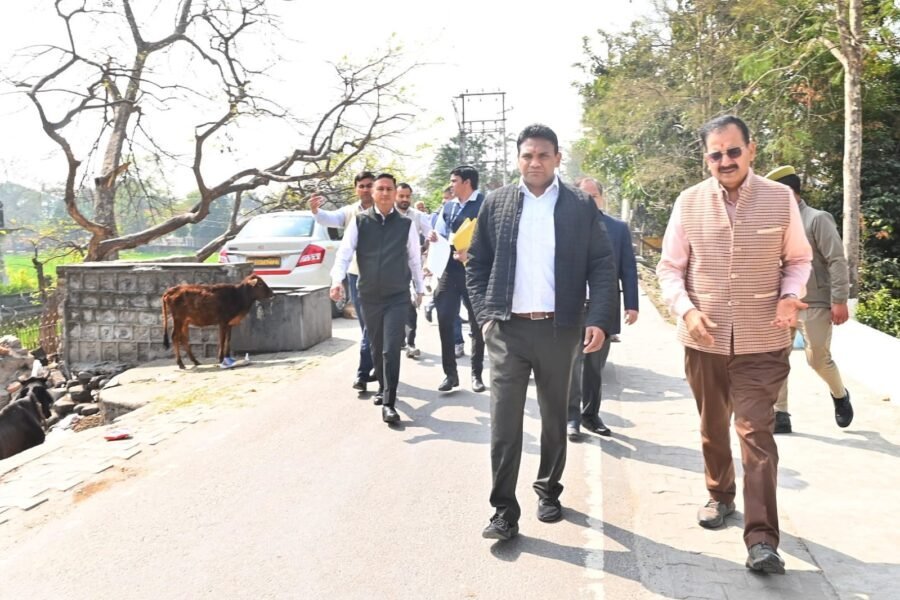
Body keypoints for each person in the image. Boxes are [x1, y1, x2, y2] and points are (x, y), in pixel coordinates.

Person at [656, 115, 812, 574]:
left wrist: (790, 295)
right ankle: (719, 494)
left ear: (751, 150)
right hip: (703, 338)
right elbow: (670, 268)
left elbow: (798, 260)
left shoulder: (779, 199)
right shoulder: (688, 202)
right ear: (705, 158)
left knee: (756, 434)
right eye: (716, 154)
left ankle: (762, 540)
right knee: (712, 425)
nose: (725, 160)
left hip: (762, 339)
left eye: (733, 151)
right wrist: (687, 310)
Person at [467, 124, 617, 541]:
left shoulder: (578, 205)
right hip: (507, 330)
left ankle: (549, 489)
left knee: (554, 418)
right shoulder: (497, 203)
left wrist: (598, 318)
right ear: (518, 158)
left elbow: (601, 264)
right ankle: (503, 511)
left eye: (543, 155)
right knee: (504, 423)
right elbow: (477, 263)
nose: (535, 163)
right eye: (527, 155)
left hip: (559, 329)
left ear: (557, 158)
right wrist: (485, 318)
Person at [330, 173, 425, 424]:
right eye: (380, 189)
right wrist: (337, 281)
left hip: (397, 296)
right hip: (369, 295)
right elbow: (344, 253)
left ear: (395, 193)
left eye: (389, 189)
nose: (384, 193)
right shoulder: (360, 221)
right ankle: (383, 388)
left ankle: (389, 403)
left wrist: (419, 288)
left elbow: (414, 259)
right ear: (372, 193)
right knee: (376, 346)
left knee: (391, 348)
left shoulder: (405, 225)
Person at [765, 166, 853, 434]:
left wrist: (839, 299)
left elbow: (836, 260)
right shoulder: (771, 225)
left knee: (817, 359)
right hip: (782, 304)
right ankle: (780, 413)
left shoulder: (817, 219)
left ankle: (840, 395)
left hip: (814, 302)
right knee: (777, 359)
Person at [567, 177, 639, 439]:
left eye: (593, 196)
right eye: (582, 196)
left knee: (594, 367)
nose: (588, 201)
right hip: (571, 309)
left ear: (602, 198)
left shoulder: (617, 229)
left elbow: (628, 268)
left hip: (602, 308)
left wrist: (632, 304)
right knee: (571, 365)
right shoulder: (563, 226)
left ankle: (590, 415)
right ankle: (571, 417)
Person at [311, 172, 376, 393]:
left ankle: (364, 372)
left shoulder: (385, 210)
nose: (366, 189)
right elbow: (327, 218)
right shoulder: (350, 212)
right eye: (362, 186)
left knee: (373, 326)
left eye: (369, 185)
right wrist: (316, 210)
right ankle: (374, 365)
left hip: (383, 277)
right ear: (356, 189)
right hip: (357, 274)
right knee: (367, 325)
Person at [430, 165, 486, 393]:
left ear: (467, 182)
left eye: (454, 181)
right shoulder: (448, 207)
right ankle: (450, 374)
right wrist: (435, 238)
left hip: (475, 271)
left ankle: (476, 374)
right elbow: (441, 233)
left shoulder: (485, 204)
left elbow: (493, 239)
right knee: (444, 318)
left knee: (477, 323)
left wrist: (471, 253)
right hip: (449, 269)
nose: (451, 185)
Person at [396, 182, 432, 359]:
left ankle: (411, 343)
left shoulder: (418, 216)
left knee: (411, 305)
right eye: (401, 196)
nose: (404, 199)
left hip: (412, 266)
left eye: (407, 196)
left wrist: (427, 247)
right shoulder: (386, 214)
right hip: (391, 269)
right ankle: (399, 340)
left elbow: (431, 235)